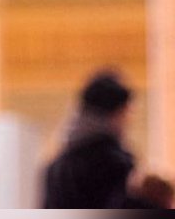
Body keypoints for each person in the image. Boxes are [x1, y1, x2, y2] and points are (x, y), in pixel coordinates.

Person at [42, 70, 136, 208]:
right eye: (127, 112)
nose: (129, 120)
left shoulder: (57, 165)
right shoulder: (115, 163)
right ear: (116, 113)